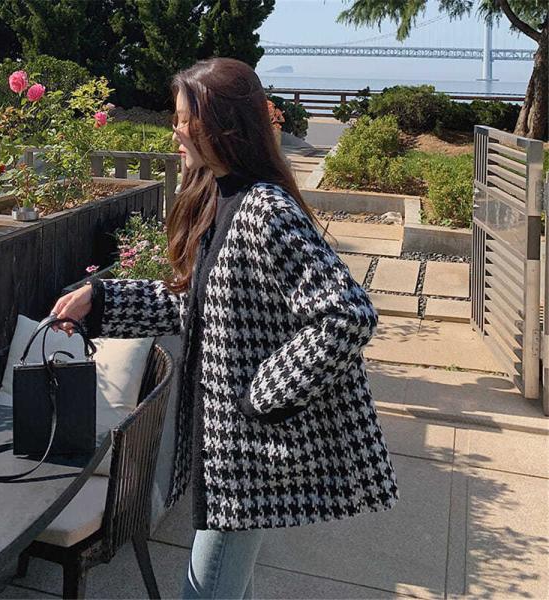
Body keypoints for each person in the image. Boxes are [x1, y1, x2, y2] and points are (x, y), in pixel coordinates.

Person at [50, 57, 399, 600]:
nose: (175, 130)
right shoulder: (221, 197)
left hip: (247, 456)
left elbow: (347, 314)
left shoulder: (263, 209)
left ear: (220, 125)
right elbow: (195, 307)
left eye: (183, 118)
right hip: (229, 454)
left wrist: (261, 396)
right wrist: (99, 299)